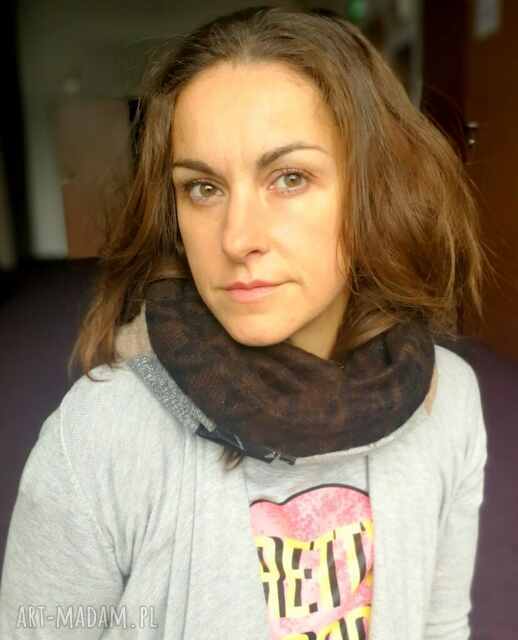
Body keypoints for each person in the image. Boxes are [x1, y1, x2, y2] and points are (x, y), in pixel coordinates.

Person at [0, 5, 490, 639]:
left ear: (375, 189)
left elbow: (441, 626)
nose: (236, 239)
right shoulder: (104, 436)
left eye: (289, 178)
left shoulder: (447, 401)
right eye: (202, 188)